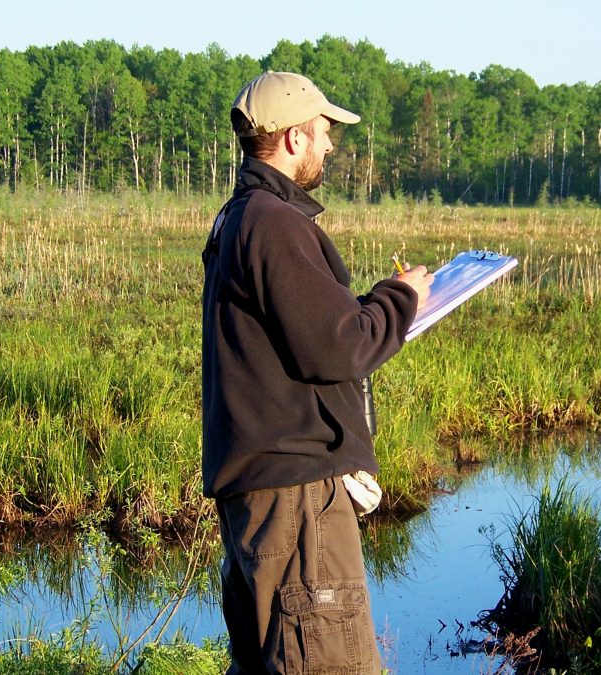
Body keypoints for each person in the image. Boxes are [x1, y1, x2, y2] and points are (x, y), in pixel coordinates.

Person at [201, 71, 432, 674]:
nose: (331, 145)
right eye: (325, 132)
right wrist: (400, 297)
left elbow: (300, 337)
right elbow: (338, 348)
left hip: (263, 493)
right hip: (296, 499)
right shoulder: (273, 223)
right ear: (293, 139)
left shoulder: (239, 218)